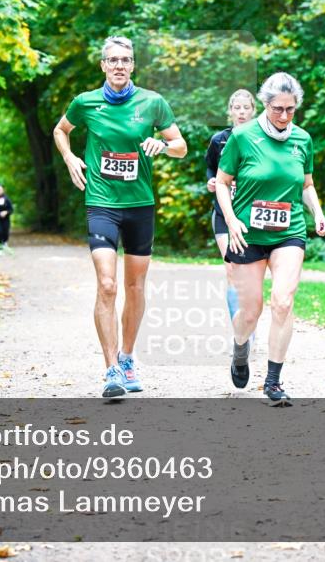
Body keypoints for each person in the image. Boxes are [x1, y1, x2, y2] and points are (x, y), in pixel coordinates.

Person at [53, 35, 187, 398]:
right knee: (108, 284)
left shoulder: (152, 103)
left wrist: (164, 145)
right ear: (102, 66)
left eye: (125, 59)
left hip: (140, 204)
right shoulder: (86, 103)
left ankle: (128, 357)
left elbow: (181, 146)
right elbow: (60, 130)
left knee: (134, 286)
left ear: (133, 65)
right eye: (112, 60)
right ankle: (110, 368)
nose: (119, 65)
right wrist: (69, 158)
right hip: (101, 202)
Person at [215, 72, 325, 406]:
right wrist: (232, 220)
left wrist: (317, 213)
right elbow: (222, 182)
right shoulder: (243, 137)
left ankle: (274, 381)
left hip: (289, 231)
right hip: (248, 233)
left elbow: (306, 184)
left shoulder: (302, 140)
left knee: (283, 300)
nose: (283, 115)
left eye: (290, 109)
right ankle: (240, 348)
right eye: (278, 108)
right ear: (265, 104)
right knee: (250, 311)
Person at [204, 89, 256, 386]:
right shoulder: (219, 140)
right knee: (232, 269)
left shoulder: (261, 138)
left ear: (253, 110)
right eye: (235, 107)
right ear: (230, 111)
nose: (240, 112)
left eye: (245, 107)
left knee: (251, 276)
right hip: (224, 214)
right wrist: (212, 182)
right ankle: (241, 333)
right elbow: (211, 168)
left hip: (251, 216)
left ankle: (248, 319)